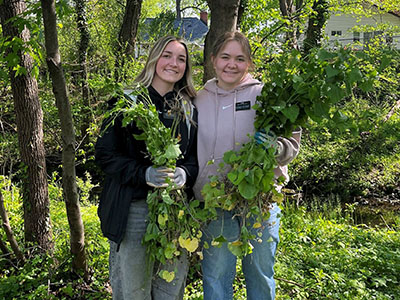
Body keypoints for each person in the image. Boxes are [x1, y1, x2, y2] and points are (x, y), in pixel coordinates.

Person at [192, 31, 301, 300]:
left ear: (249, 63)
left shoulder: (266, 96)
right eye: (225, 57)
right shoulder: (198, 98)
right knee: (216, 274)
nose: (232, 64)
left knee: (260, 273)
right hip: (215, 200)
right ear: (213, 59)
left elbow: (292, 143)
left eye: (240, 59)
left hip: (260, 201)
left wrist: (277, 148)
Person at [95, 35, 198, 300]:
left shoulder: (187, 107)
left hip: (175, 214)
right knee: (133, 291)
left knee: (170, 290)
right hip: (134, 211)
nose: (173, 63)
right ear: (154, 58)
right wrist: (144, 174)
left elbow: (195, 159)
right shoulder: (126, 100)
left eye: (181, 59)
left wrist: (185, 174)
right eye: (167, 55)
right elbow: (105, 155)